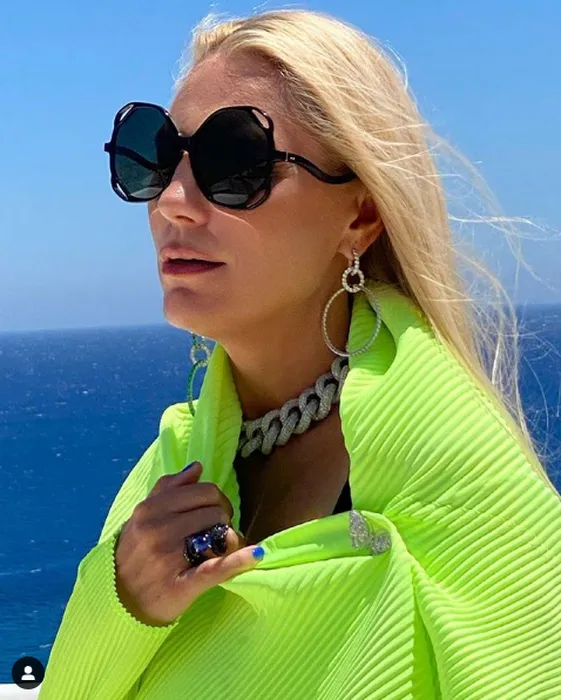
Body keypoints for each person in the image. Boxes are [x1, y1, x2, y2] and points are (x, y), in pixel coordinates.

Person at [39, 8, 561, 699]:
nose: (172, 202)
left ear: (360, 216)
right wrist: (124, 600)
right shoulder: (173, 461)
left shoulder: (454, 462)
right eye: (158, 156)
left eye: (236, 163)